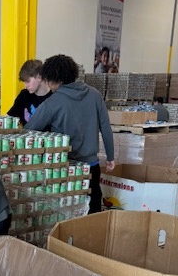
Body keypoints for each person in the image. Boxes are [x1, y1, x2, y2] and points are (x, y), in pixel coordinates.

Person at [25, 54, 115, 214]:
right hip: (92, 166)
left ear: (53, 79)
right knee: (93, 210)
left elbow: (29, 132)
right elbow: (106, 128)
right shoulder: (95, 94)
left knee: (67, 212)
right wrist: (110, 157)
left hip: (65, 169)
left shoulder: (52, 103)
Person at [7, 60, 52, 125]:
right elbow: (9, 118)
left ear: (39, 77)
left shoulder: (54, 97)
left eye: (28, 81)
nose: (26, 86)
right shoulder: (24, 95)